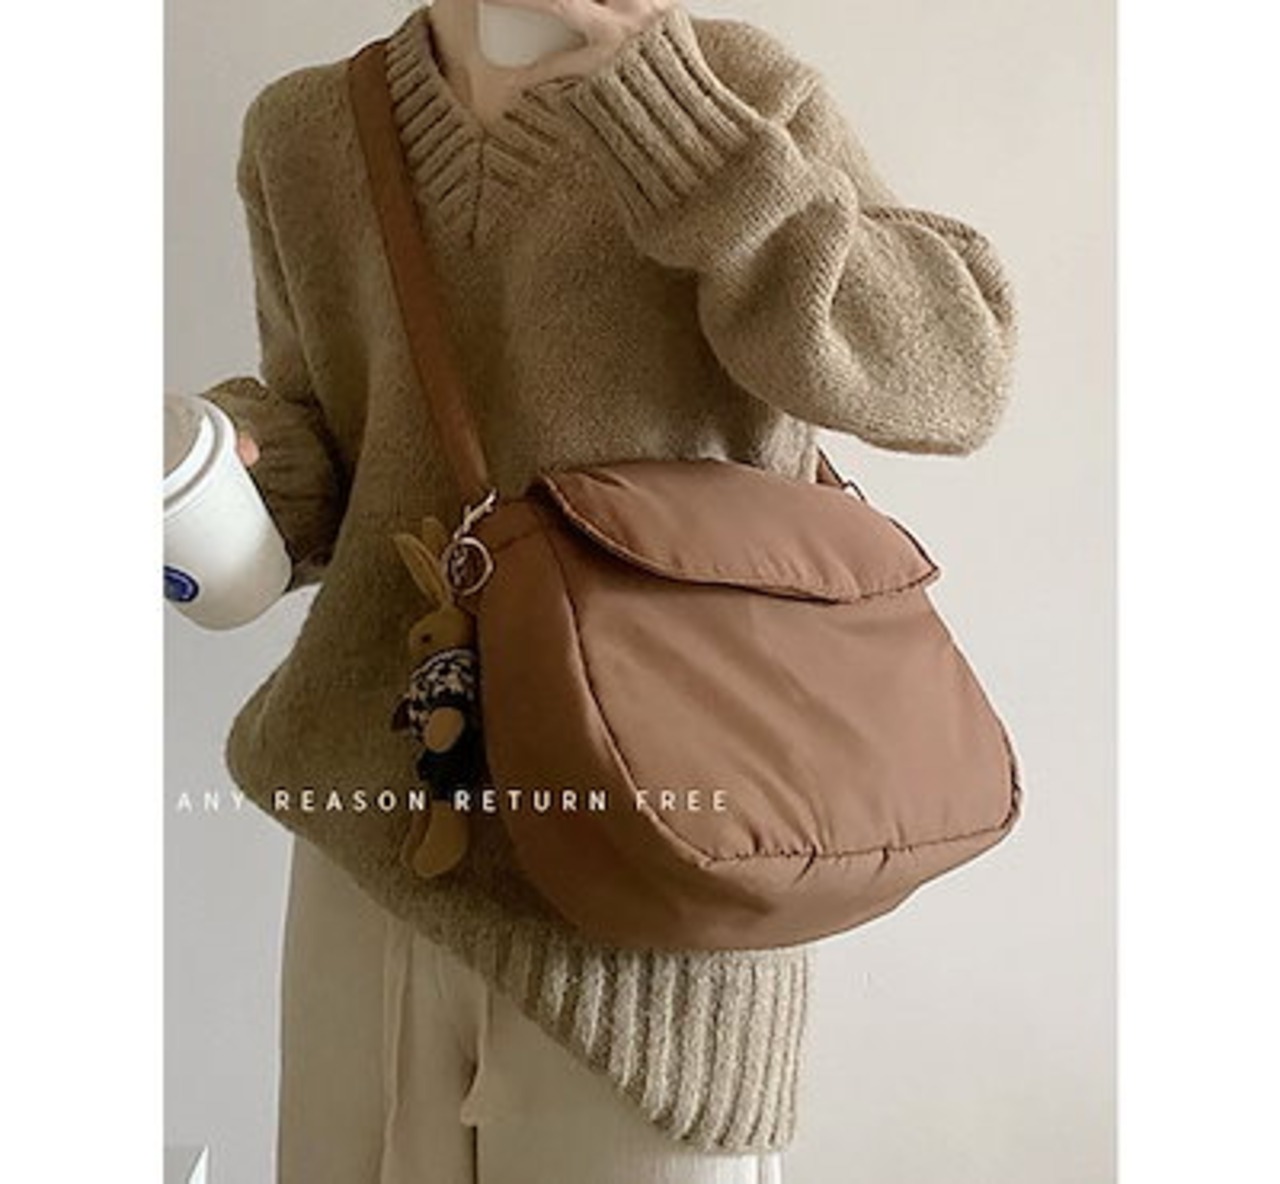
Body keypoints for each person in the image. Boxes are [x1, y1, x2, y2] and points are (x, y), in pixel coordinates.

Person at [200, 1, 1019, 1180]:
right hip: (381, 829)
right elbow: (341, 455)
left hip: (666, 843)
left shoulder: (733, 83)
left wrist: (679, 129)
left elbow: (951, 372)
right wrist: (228, 465)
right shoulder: (305, 129)